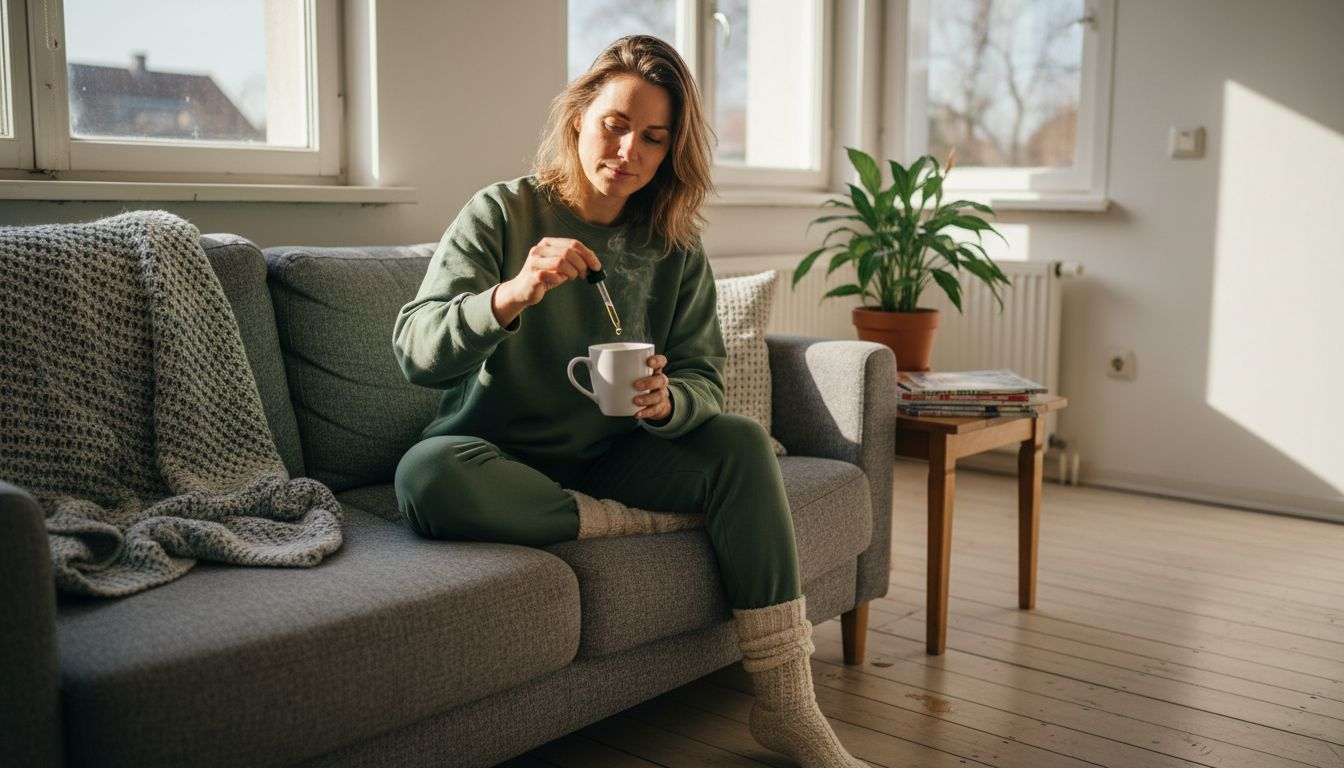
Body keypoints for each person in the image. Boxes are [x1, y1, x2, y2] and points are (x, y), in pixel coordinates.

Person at [392, 35, 867, 768]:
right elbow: (415, 352)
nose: (629, 151)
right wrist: (512, 293)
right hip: (495, 458)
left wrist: (668, 402)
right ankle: (633, 523)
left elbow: (705, 375)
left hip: (619, 454)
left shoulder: (673, 245)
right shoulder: (502, 213)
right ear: (580, 116)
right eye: (616, 123)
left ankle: (788, 705)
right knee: (425, 477)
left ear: (671, 151)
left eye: (653, 138)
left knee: (738, 441)